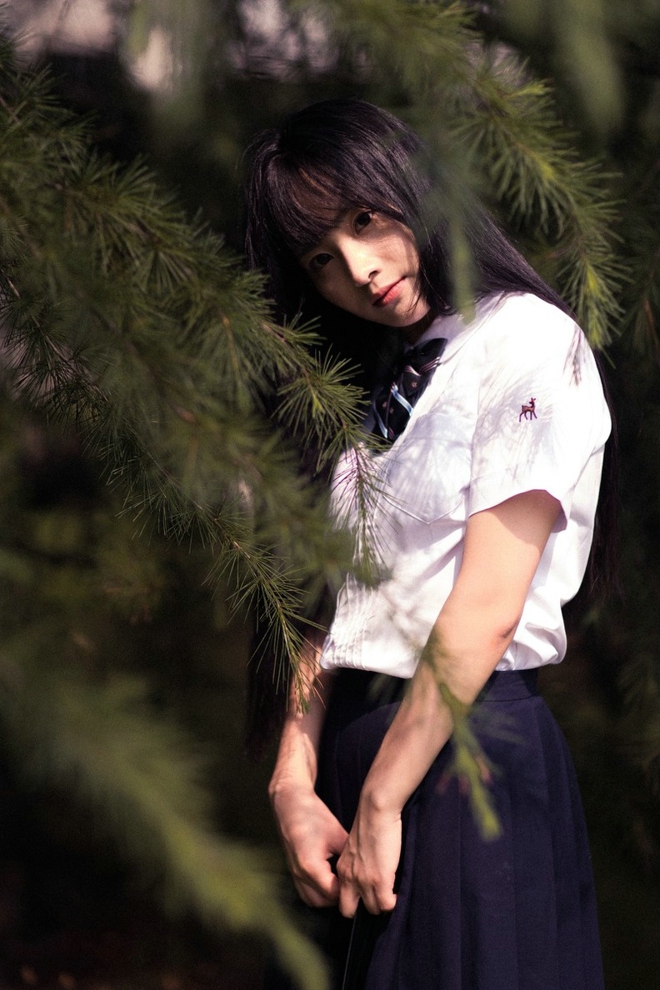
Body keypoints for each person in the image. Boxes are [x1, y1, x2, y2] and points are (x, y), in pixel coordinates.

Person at [244, 98, 612, 990]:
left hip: (462, 764)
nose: (358, 268)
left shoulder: (525, 338)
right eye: (320, 259)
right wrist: (293, 779)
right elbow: (326, 604)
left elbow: (487, 608)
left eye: (366, 220)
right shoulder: (362, 383)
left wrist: (384, 796)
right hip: (358, 772)